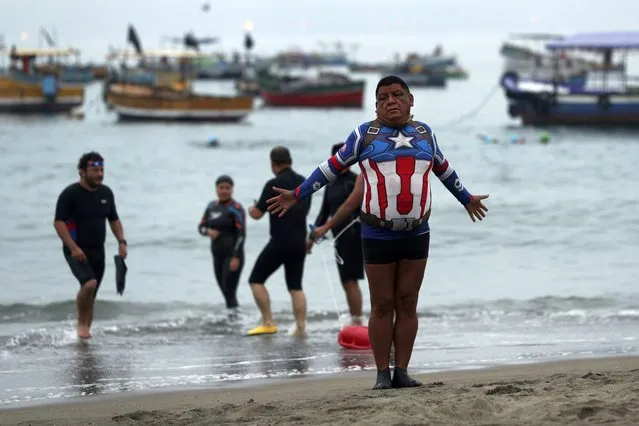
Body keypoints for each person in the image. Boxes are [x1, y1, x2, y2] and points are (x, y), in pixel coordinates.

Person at [265, 76, 489, 390]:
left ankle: (402, 371)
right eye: (383, 97)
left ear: (411, 100)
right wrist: (298, 193)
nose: (391, 101)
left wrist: (467, 198)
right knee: (382, 304)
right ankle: (382, 373)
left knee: (408, 302)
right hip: (377, 233)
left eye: (397, 95)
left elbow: (444, 169)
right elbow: (329, 168)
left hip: (416, 232)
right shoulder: (364, 136)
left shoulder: (425, 133)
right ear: (376, 105)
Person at [53, 152, 128, 339]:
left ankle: (84, 336)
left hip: (98, 250)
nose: (100, 174)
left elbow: (114, 219)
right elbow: (59, 222)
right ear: (82, 172)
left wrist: (121, 241)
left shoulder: (106, 193)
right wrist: (73, 247)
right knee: (89, 284)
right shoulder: (70, 194)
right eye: (95, 170)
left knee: (92, 293)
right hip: (75, 248)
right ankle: (81, 324)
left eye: (102, 169)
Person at [246, 146, 311, 337]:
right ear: (290, 161)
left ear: (273, 164)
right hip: (300, 241)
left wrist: (251, 209)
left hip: (280, 241)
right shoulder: (304, 182)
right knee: (295, 286)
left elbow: (257, 214)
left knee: (256, 280)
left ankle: (268, 322)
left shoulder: (273, 184)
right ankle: (300, 327)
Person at [307, 143, 364, 325]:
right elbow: (324, 212)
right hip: (339, 237)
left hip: (354, 235)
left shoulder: (355, 181)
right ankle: (355, 316)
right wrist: (311, 237)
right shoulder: (330, 183)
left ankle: (357, 318)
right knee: (345, 280)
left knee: (351, 279)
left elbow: (356, 208)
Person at [198, 175, 246, 310]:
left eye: (227, 188)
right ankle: (233, 320)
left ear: (232, 190)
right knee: (224, 290)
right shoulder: (211, 206)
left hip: (233, 255)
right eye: (221, 188)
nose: (224, 191)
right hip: (217, 255)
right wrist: (208, 232)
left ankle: (234, 320)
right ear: (216, 189)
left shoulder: (235, 208)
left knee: (229, 291)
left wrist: (236, 256)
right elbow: (201, 227)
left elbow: (242, 234)